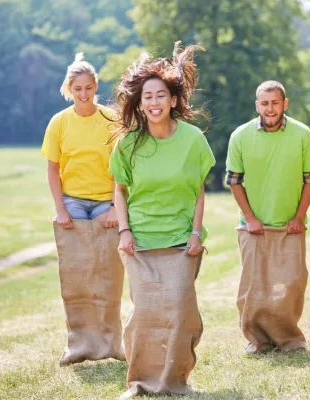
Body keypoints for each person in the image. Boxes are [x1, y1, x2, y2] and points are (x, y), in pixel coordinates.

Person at [109, 42, 215, 398]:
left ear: (173, 100)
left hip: (182, 241)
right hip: (139, 241)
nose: (153, 103)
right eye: (147, 97)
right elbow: (119, 190)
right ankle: (139, 382)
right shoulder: (128, 144)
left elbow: (199, 190)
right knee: (146, 314)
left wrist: (197, 232)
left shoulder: (193, 139)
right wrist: (124, 231)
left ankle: (175, 381)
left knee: (181, 312)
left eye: (160, 96)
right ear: (140, 103)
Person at [41, 53, 125, 366]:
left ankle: (111, 344)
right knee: (77, 275)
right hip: (73, 202)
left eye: (89, 87)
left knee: (107, 274)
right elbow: (53, 170)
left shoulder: (111, 120)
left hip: (106, 202)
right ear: (69, 88)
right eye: (77, 88)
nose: (83, 93)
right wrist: (61, 209)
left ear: (95, 87)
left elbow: (121, 169)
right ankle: (77, 345)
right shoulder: (59, 122)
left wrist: (117, 208)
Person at [225, 80, 310, 354]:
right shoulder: (240, 136)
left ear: (284, 104)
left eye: (275, 103)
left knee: (290, 285)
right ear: (257, 106)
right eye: (264, 103)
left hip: (290, 226)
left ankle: (290, 340)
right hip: (253, 226)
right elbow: (234, 181)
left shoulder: (303, 135)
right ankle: (258, 341)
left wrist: (299, 217)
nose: (270, 108)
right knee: (253, 289)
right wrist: (250, 218)